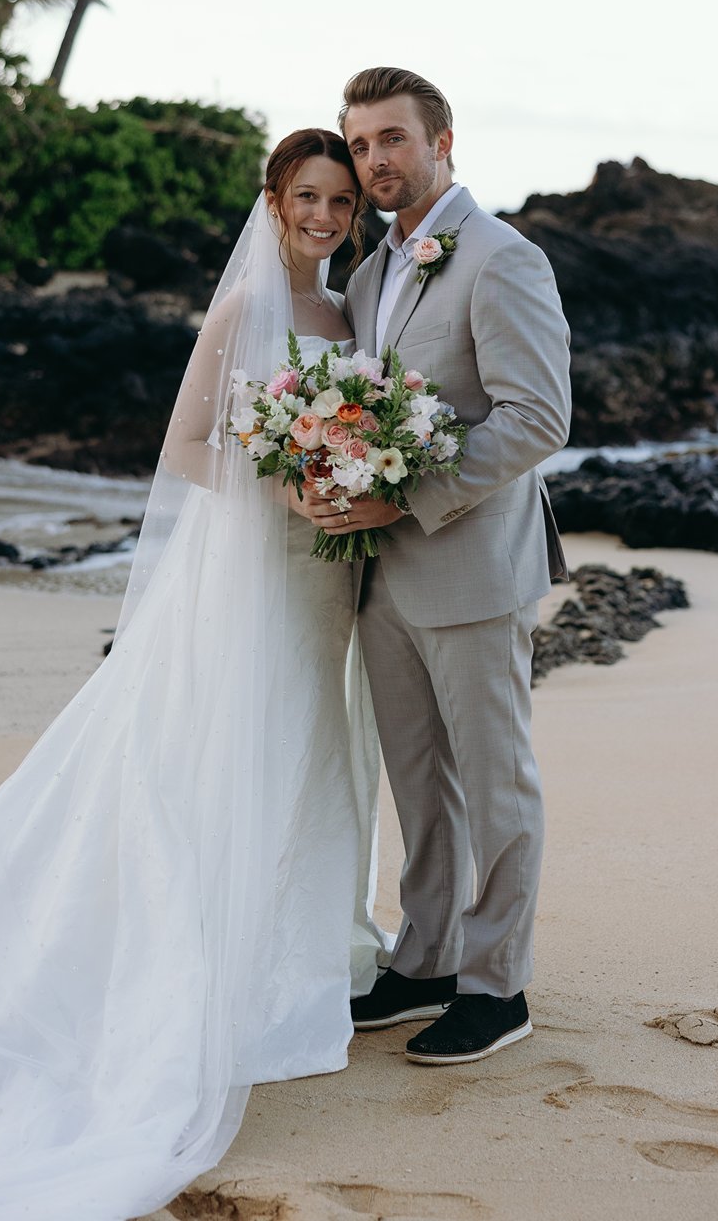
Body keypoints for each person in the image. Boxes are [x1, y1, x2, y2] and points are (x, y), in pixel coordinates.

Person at [0, 128, 389, 1221]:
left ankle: (296, 964)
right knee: (210, 759)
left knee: (310, 755)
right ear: (275, 201)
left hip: (332, 580)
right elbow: (190, 443)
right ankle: (189, 970)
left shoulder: (352, 315)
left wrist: (350, 474)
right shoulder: (248, 312)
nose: (327, 215)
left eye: (341, 199)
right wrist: (284, 481)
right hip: (253, 575)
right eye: (308, 196)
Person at [304, 67, 572, 1066]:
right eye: (361, 143)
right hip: (382, 576)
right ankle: (425, 959)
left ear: (442, 138)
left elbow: (538, 417)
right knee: (419, 783)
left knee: (496, 783)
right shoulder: (370, 277)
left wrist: (408, 497)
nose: (375, 160)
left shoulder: (502, 258)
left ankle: (498, 986)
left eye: (392, 140)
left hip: (469, 568)